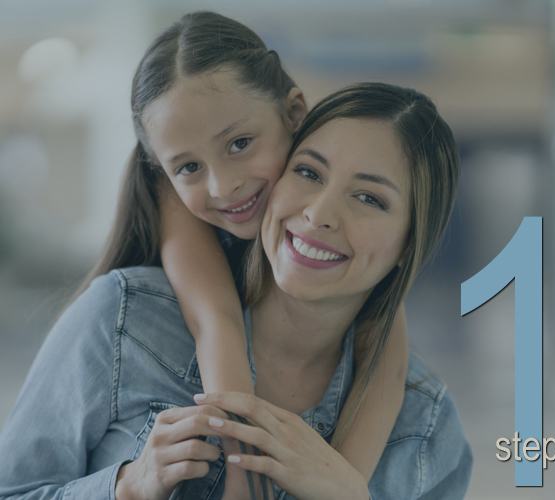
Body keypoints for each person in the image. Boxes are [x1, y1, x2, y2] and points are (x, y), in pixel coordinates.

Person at [0, 83, 472, 500]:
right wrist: (128, 487)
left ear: (410, 244)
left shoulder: (426, 427)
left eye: (370, 198)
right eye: (309, 172)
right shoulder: (122, 318)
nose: (319, 214)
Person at [69, 11, 409, 497]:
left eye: (240, 143)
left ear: (294, 113)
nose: (223, 185)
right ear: (163, 170)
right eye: (188, 166)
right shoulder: (169, 225)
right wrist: (240, 481)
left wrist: (341, 485)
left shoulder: (347, 257)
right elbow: (217, 323)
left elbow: (387, 365)